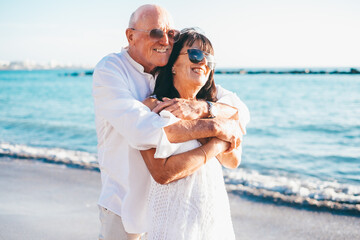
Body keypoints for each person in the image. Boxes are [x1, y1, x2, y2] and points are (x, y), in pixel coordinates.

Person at [92, 4, 249, 240]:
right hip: (126, 209)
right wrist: (216, 129)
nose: (165, 40)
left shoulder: (167, 71)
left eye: (171, 34)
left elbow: (240, 111)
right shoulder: (111, 71)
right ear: (130, 35)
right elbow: (143, 130)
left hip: (176, 214)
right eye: (156, 32)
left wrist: (203, 108)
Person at [140, 29, 241, 240]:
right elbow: (163, 174)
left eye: (209, 59)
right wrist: (217, 139)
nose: (203, 62)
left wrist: (203, 113)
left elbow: (234, 160)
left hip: (214, 222)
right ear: (173, 64)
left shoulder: (215, 109)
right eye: (196, 54)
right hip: (172, 225)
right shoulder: (153, 106)